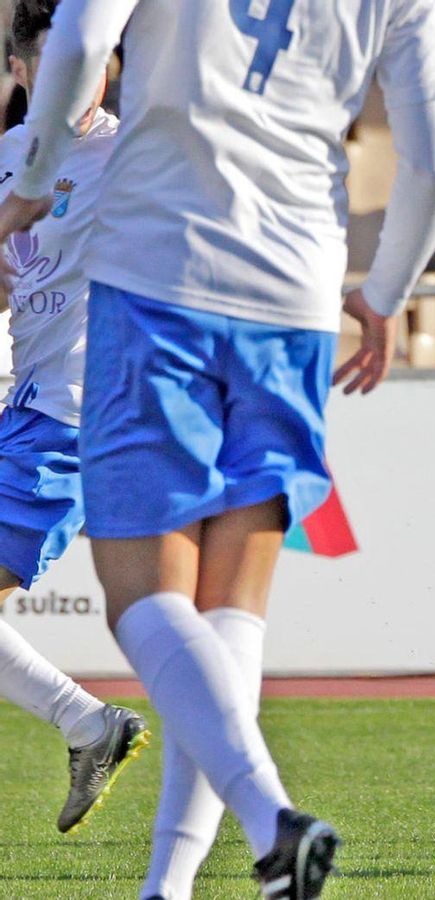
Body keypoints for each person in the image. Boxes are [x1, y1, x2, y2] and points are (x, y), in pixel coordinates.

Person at [0, 0, 435, 895]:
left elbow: (88, 38)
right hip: (295, 288)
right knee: (230, 613)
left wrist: (29, 185)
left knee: (145, 597)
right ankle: (171, 886)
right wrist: (388, 292)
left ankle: (270, 816)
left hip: (159, 272)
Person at [0, 0, 149, 838]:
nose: (77, 85)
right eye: (54, 68)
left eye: (88, 65)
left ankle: (88, 724)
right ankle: (90, 725)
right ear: (20, 73)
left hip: (79, 418)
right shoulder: (7, 162)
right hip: (24, 408)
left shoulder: (135, 154)